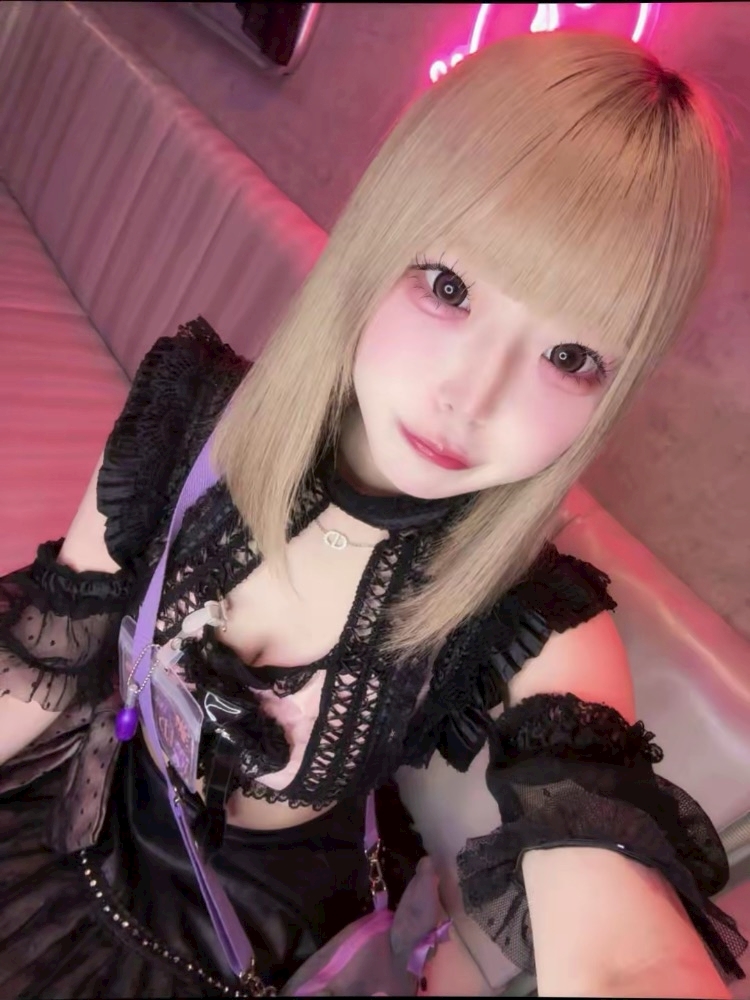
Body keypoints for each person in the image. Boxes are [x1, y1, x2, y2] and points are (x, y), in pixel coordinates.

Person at [0, 28, 746, 1000]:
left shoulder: (537, 631)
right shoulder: (185, 415)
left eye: (571, 358)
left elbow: (619, 950)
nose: (472, 397)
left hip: (241, 948)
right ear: (375, 242)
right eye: (450, 287)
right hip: (73, 820)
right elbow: (48, 657)